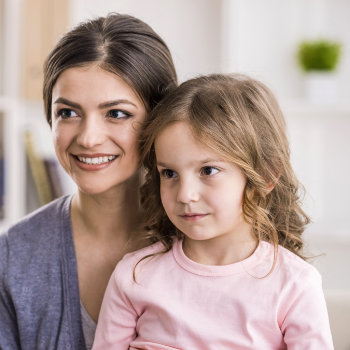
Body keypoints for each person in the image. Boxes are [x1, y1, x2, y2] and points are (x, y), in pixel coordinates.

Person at [92, 74, 334, 349]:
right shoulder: (133, 275)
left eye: (208, 170)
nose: (185, 194)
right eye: (169, 173)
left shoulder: (295, 285)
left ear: (266, 176)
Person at [0, 13, 177, 350]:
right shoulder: (13, 256)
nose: (89, 138)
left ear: (159, 118)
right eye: (68, 113)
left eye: (117, 113)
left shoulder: (209, 241)